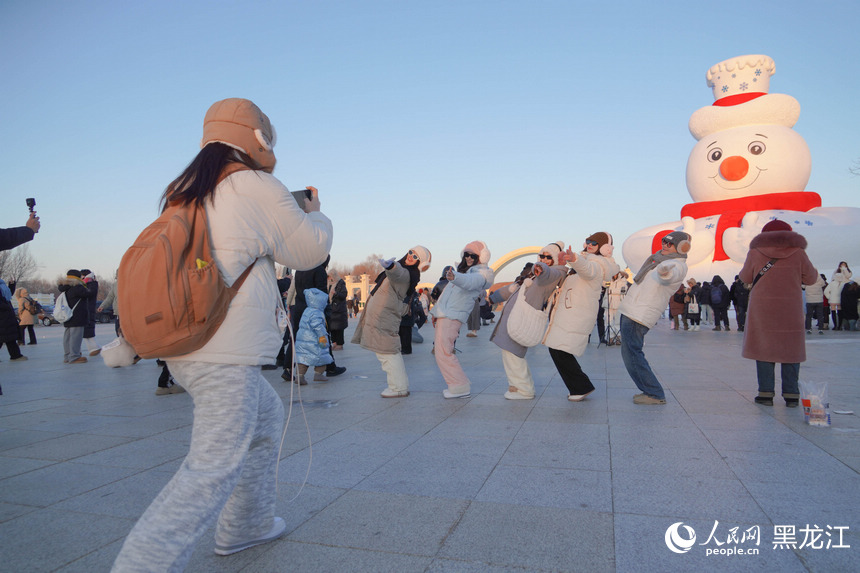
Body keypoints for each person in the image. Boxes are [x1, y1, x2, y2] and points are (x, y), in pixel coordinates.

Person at [112, 98, 332, 571]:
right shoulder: (254, 184)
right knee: (210, 467)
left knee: (266, 421)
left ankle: (247, 524)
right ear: (259, 139)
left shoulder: (189, 189)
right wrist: (316, 213)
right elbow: (308, 251)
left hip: (196, 341)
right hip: (220, 347)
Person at [739, 220, 817, 407]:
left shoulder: (756, 252)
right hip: (790, 307)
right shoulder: (798, 252)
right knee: (791, 349)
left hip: (762, 307)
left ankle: (765, 393)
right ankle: (791, 395)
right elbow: (812, 278)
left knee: (763, 348)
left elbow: (745, 277)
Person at [543, 233, 620, 401]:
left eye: (595, 243)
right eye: (589, 241)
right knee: (558, 349)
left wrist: (575, 259)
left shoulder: (598, 264)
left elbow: (588, 270)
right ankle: (580, 386)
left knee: (559, 349)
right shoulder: (585, 261)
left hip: (576, 313)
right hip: (568, 311)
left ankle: (581, 387)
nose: (590, 244)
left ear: (604, 248)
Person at [619, 231, 691, 405]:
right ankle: (650, 390)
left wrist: (665, 273)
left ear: (681, 248)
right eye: (664, 241)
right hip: (632, 310)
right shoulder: (656, 260)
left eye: (669, 244)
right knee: (629, 352)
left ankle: (654, 392)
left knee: (632, 353)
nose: (665, 245)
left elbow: (670, 276)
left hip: (640, 314)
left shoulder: (676, 264)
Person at [489, 242, 567, 400]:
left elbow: (547, 275)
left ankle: (524, 389)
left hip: (522, 318)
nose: (544, 259)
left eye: (549, 257)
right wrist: (492, 298)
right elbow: (514, 288)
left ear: (555, 260)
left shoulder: (556, 272)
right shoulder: (533, 274)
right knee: (509, 351)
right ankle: (516, 386)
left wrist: (540, 267)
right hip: (514, 316)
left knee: (513, 352)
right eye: (542, 256)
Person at [351, 246, 431, 398]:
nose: (411, 256)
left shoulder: (407, 273)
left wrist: (391, 266)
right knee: (386, 352)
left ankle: (398, 388)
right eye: (411, 252)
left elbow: (398, 275)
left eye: (415, 257)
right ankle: (399, 385)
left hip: (385, 315)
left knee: (387, 352)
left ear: (419, 263)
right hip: (383, 314)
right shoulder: (405, 270)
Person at [431, 241, 495, 399]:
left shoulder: (481, 274)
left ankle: (459, 386)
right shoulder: (463, 272)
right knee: (443, 350)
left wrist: (455, 277)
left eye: (473, 255)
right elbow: (445, 297)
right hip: (446, 314)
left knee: (444, 351)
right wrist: (436, 313)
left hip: (453, 315)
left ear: (481, 257)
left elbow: (469, 283)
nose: (469, 258)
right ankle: (458, 385)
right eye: (466, 254)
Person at [294, 287, 334, 384]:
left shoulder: (307, 310)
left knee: (303, 359)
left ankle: (299, 377)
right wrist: (322, 336)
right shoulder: (317, 312)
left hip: (303, 340)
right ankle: (318, 374)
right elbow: (317, 325)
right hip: (315, 340)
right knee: (322, 357)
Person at [58, 269, 96, 364]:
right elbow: (90, 293)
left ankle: (67, 356)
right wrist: (92, 282)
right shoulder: (77, 288)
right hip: (77, 317)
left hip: (68, 316)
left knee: (67, 337)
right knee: (76, 337)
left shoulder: (65, 288)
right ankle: (74, 356)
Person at [824, 262, 852, 330]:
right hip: (840, 300)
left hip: (833, 300)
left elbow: (826, 291)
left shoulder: (832, 283)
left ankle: (835, 325)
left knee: (833, 312)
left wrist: (829, 297)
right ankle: (839, 326)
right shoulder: (844, 284)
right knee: (840, 312)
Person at [79, 269, 102, 356]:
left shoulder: (91, 284)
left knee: (88, 328)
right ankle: (94, 347)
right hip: (86, 309)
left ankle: (93, 347)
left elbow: (89, 294)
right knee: (86, 330)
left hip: (88, 309)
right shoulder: (89, 284)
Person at [328, 273, 348, 350]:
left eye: (330, 277)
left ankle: (340, 344)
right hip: (331, 309)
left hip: (339, 310)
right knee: (332, 328)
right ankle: (334, 343)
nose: (330, 279)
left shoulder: (341, 284)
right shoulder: (329, 285)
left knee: (339, 328)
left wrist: (336, 293)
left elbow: (344, 295)